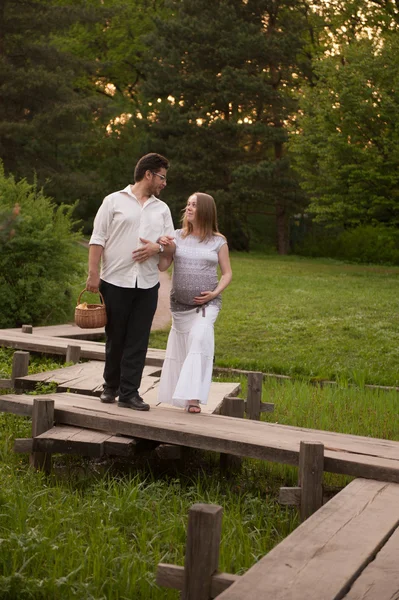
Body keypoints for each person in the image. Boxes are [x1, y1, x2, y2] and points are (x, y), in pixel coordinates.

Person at [86, 153, 175, 411]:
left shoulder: (162, 209)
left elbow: (171, 245)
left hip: (147, 284)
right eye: (162, 177)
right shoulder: (113, 201)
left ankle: (129, 393)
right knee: (116, 337)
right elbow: (97, 238)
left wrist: (156, 248)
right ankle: (110, 387)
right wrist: (93, 274)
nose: (164, 183)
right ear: (148, 174)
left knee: (138, 339)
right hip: (114, 280)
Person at [157, 192, 232, 413]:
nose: (188, 208)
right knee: (183, 347)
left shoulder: (219, 241)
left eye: (194, 205)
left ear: (206, 210)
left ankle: (193, 398)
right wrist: (162, 247)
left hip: (207, 306)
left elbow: (227, 273)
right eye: (188, 204)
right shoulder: (177, 236)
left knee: (200, 340)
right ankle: (181, 393)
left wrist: (214, 293)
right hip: (180, 307)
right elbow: (163, 267)